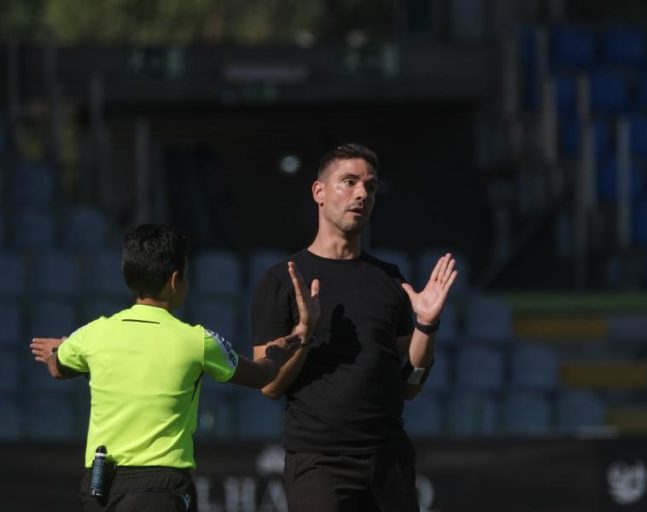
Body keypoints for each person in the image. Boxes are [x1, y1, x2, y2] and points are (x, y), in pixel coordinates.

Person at [29, 223, 319, 512]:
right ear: (176, 280)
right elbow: (261, 376)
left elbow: (58, 367)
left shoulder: (93, 334)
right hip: (160, 489)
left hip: (100, 489)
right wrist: (277, 352)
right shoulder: (197, 340)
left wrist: (57, 349)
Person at [250, 143, 457, 512]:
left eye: (370, 187)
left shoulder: (389, 280)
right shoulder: (282, 280)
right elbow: (269, 385)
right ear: (319, 192)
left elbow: (411, 385)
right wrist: (305, 333)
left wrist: (427, 326)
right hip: (320, 464)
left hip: (389, 460)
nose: (362, 193)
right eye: (349, 182)